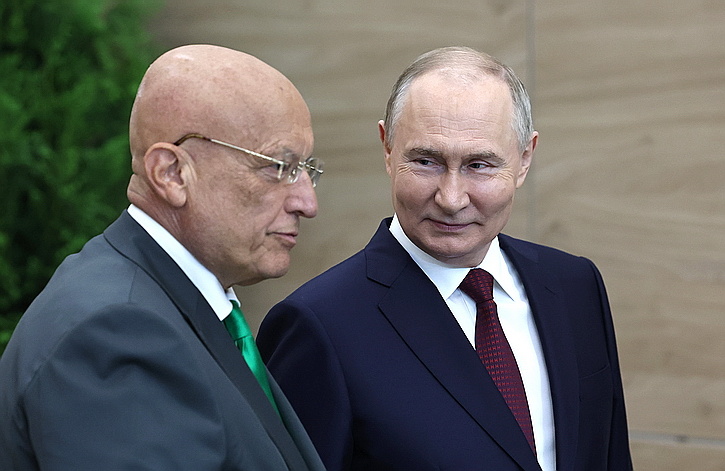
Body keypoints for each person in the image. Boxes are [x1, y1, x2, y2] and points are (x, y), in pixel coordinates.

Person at [257, 46, 633, 471]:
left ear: (525, 159)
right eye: (426, 162)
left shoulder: (574, 285)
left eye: (479, 165)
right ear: (387, 148)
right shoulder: (317, 326)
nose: (451, 199)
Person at [0, 44, 326, 471]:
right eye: (278, 167)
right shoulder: (116, 330)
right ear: (171, 174)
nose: (307, 202)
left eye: (306, 170)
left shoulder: (158, 305)